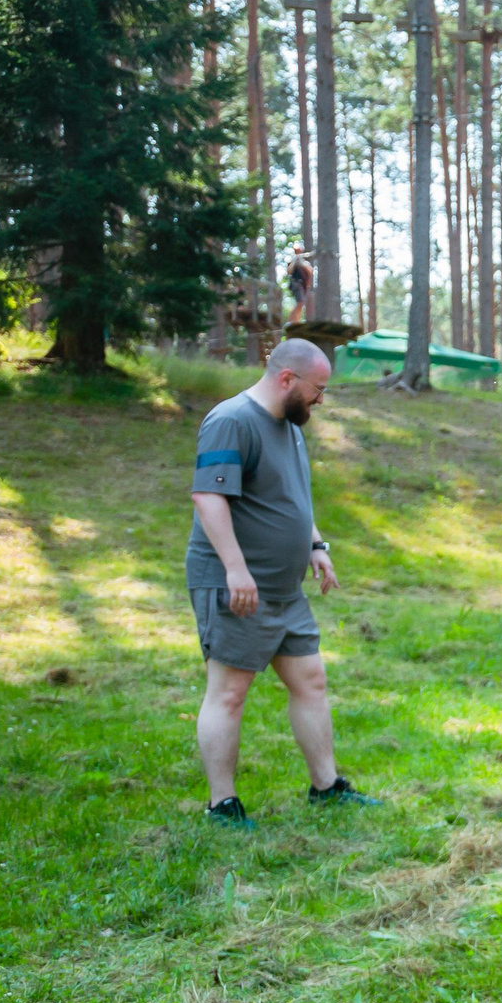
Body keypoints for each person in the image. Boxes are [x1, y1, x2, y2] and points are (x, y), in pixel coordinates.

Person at [187, 339, 377, 827]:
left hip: (283, 589)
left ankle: (326, 787)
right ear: (287, 379)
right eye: (318, 389)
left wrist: (316, 546)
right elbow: (209, 499)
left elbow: (288, 498)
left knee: (310, 680)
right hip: (238, 587)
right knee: (229, 691)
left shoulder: (289, 425)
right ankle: (222, 805)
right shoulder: (232, 420)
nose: (321, 400)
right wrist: (235, 568)